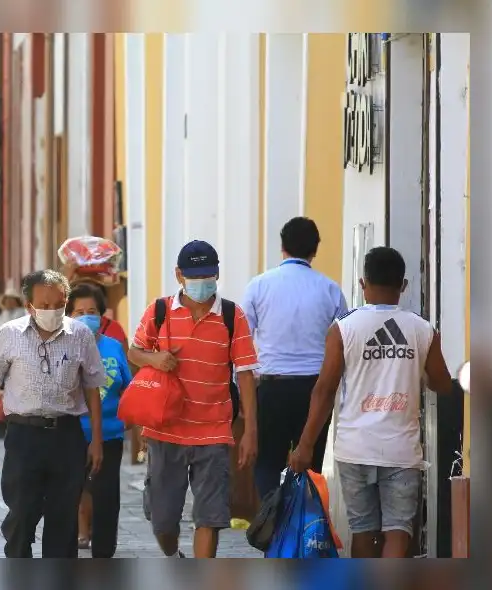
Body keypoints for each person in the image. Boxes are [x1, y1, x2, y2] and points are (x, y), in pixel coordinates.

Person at [289, 246, 460, 558]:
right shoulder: (422, 329)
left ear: (362, 283)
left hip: (354, 448)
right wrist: (415, 367)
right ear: (403, 285)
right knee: (398, 531)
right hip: (401, 450)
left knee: (363, 530)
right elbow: (443, 384)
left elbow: (324, 391)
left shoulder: (343, 328)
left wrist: (305, 445)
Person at [127, 240, 259, 558]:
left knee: (210, 517)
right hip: (165, 430)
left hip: (214, 430)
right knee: (163, 522)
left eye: (208, 276)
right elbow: (134, 352)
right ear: (179, 275)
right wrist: (155, 359)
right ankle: (175, 558)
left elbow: (245, 374)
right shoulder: (159, 311)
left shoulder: (232, 316)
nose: (202, 283)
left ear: (217, 274)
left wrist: (250, 431)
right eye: (195, 276)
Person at [0, 269, 106, 558]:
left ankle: (58, 577)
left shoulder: (81, 335)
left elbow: (92, 389)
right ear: (29, 306)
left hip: (67, 437)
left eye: (59, 304)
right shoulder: (9, 334)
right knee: (22, 513)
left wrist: (96, 440)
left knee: (63, 519)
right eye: (44, 305)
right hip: (24, 436)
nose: (52, 311)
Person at [241, 217, 348, 500]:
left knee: (267, 465)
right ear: (315, 250)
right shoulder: (330, 289)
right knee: (309, 464)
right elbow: (345, 341)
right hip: (316, 391)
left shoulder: (258, 286)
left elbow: (240, 344)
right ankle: (303, 521)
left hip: (271, 388)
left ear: (282, 247)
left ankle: (272, 519)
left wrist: (241, 393)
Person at [66, 283, 132, 558]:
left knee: (106, 500)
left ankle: (104, 558)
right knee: (68, 498)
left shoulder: (114, 347)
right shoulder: (61, 347)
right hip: (70, 436)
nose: (86, 316)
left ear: (102, 315)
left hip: (110, 436)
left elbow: (129, 388)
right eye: (79, 312)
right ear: (69, 315)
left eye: (92, 311)